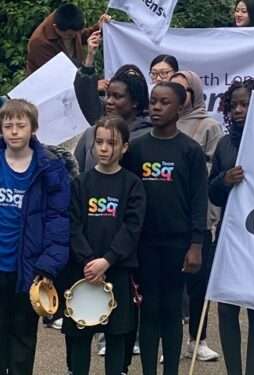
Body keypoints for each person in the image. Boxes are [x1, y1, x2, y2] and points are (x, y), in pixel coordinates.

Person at [122, 82, 206, 375]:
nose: (156, 107)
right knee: (149, 311)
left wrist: (196, 245)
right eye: (153, 102)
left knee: (171, 311)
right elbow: (128, 198)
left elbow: (199, 202)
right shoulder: (137, 148)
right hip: (145, 244)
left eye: (164, 102)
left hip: (178, 245)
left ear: (180, 107)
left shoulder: (190, 151)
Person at [64, 116, 146, 375]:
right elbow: (72, 225)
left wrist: (107, 260)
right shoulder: (80, 183)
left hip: (117, 272)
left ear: (123, 147)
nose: (103, 148)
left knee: (117, 337)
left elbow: (132, 228)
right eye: (99, 142)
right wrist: (89, 261)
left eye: (111, 143)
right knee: (78, 337)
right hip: (83, 272)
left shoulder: (132, 184)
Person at [0, 99, 71, 374]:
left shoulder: (50, 169)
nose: (14, 131)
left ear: (34, 128)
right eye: (8, 126)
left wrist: (47, 266)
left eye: (21, 125)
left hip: (29, 269)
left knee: (23, 336)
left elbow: (58, 221)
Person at [212, 77, 254, 375]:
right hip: (230, 236)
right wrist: (225, 180)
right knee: (226, 307)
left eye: (245, 104)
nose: (238, 110)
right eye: (233, 105)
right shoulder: (225, 144)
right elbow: (211, 191)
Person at [169, 71, 223, 361]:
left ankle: (198, 339)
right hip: (169, 217)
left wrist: (209, 218)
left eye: (183, 90)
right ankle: (173, 340)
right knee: (171, 284)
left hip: (199, 217)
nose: (177, 95)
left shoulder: (209, 126)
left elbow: (212, 174)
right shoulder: (163, 122)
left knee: (198, 281)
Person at [74, 31, 151, 172]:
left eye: (117, 96)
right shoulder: (91, 134)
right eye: (108, 95)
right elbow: (76, 177)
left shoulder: (149, 138)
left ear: (135, 101)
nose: (109, 101)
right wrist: (90, 56)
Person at [26, 4, 108, 73]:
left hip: (75, 73)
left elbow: (82, 35)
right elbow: (58, 76)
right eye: (69, 35)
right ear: (56, 28)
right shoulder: (40, 44)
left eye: (77, 33)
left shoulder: (68, 20)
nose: (74, 36)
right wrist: (89, 82)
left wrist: (99, 27)